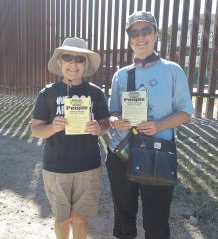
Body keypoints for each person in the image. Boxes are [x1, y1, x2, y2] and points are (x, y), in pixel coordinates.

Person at [106, 11, 194, 239]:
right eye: (134, 32)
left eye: (146, 30)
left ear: (156, 34)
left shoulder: (173, 70)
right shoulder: (121, 75)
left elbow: (186, 112)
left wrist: (159, 125)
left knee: (156, 221)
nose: (140, 37)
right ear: (129, 38)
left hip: (158, 155)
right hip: (122, 153)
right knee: (124, 215)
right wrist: (116, 121)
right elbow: (113, 110)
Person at [31, 37, 110, 239]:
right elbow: (36, 130)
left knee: (81, 218)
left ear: (86, 64)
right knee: (61, 219)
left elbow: (106, 124)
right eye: (68, 57)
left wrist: (98, 128)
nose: (73, 63)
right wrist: (53, 127)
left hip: (88, 166)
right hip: (56, 167)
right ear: (60, 62)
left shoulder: (95, 93)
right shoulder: (47, 93)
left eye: (80, 59)